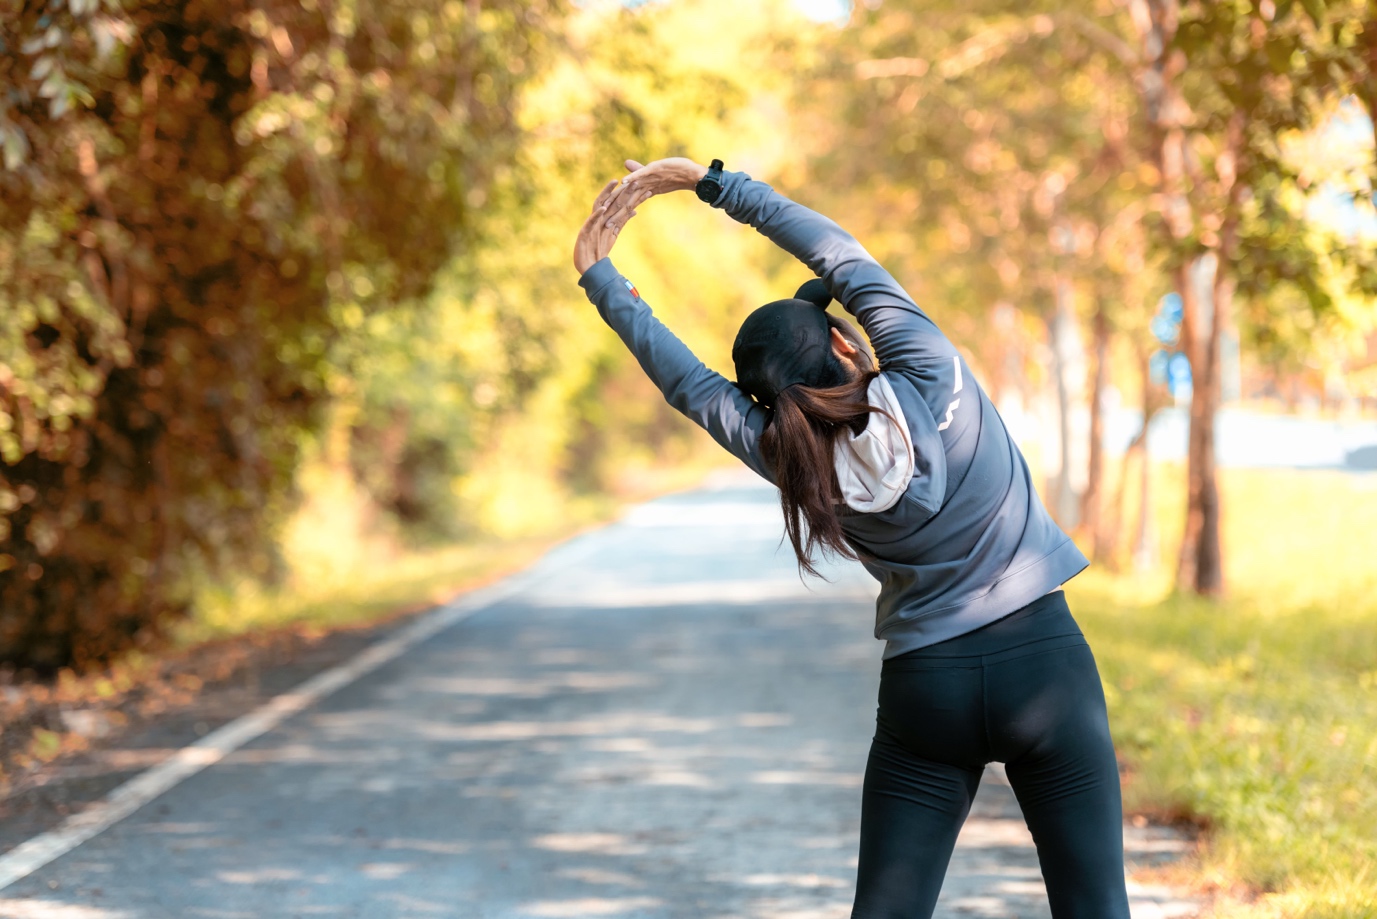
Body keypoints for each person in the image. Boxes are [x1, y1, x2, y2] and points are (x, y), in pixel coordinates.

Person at [573, 157, 1132, 919]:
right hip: (1044, 669)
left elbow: (689, 385)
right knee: (1094, 906)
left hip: (925, 691)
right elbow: (835, 253)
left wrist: (602, 276)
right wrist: (712, 183)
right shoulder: (927, 371)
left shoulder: (786, 455)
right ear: (842, 345)